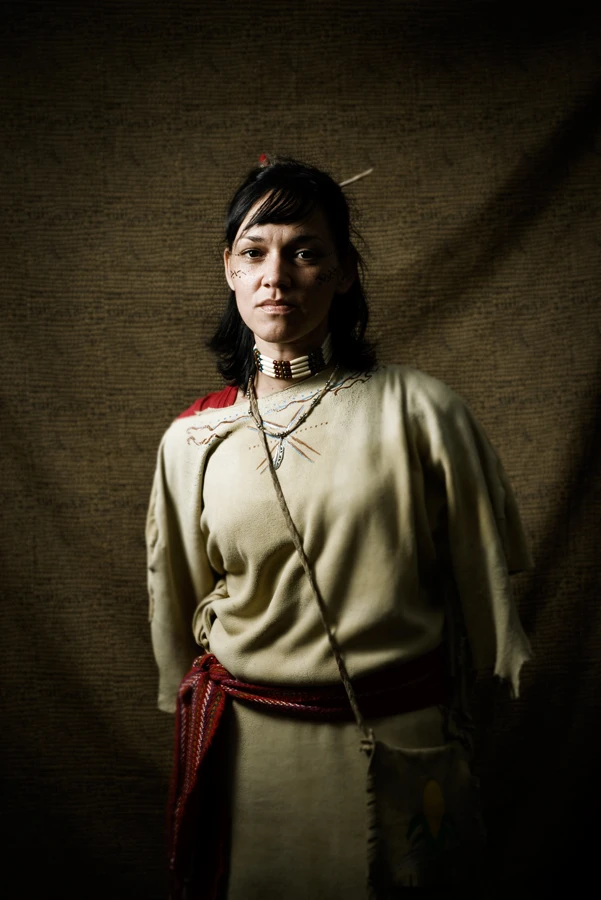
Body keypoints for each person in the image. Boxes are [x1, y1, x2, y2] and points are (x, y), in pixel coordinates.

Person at [146, 157, 532, 899]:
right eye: (255, 252)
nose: (276, 276)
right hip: (255, 753)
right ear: (229, 270)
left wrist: (494, 657)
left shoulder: (421, 411)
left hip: (397, 739)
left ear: (345, 272)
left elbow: (481, 573)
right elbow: (181, 602)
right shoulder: (193, 439)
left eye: (304, 252)